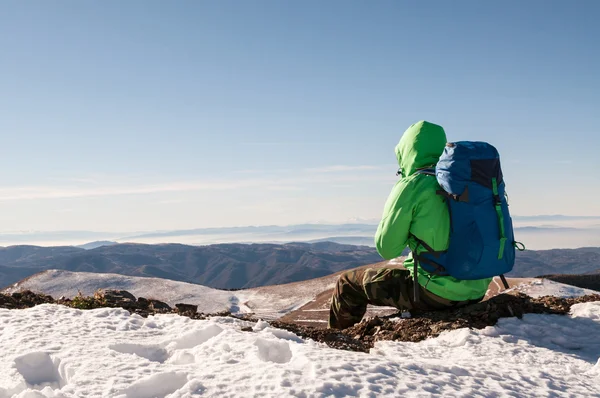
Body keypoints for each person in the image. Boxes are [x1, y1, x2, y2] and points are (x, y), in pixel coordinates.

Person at [328, 121, 492, 329]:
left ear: (406, 151)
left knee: (348, 283)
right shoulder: (470, 183)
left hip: (434, 292)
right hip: (477, 288)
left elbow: (386, 248)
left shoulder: (413, 184)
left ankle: (336, 341)